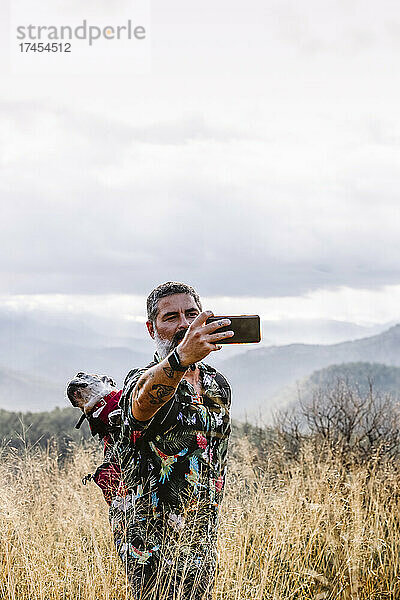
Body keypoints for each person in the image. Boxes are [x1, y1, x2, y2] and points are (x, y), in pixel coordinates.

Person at [110, 281, 233, 600]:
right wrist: (179, 360)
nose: (183, 324)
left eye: (191, 314)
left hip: (200, 537)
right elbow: (142, 405)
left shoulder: (217, 384)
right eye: (170, 317)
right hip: (150, 541)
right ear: (152, 328)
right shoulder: (142, 380)